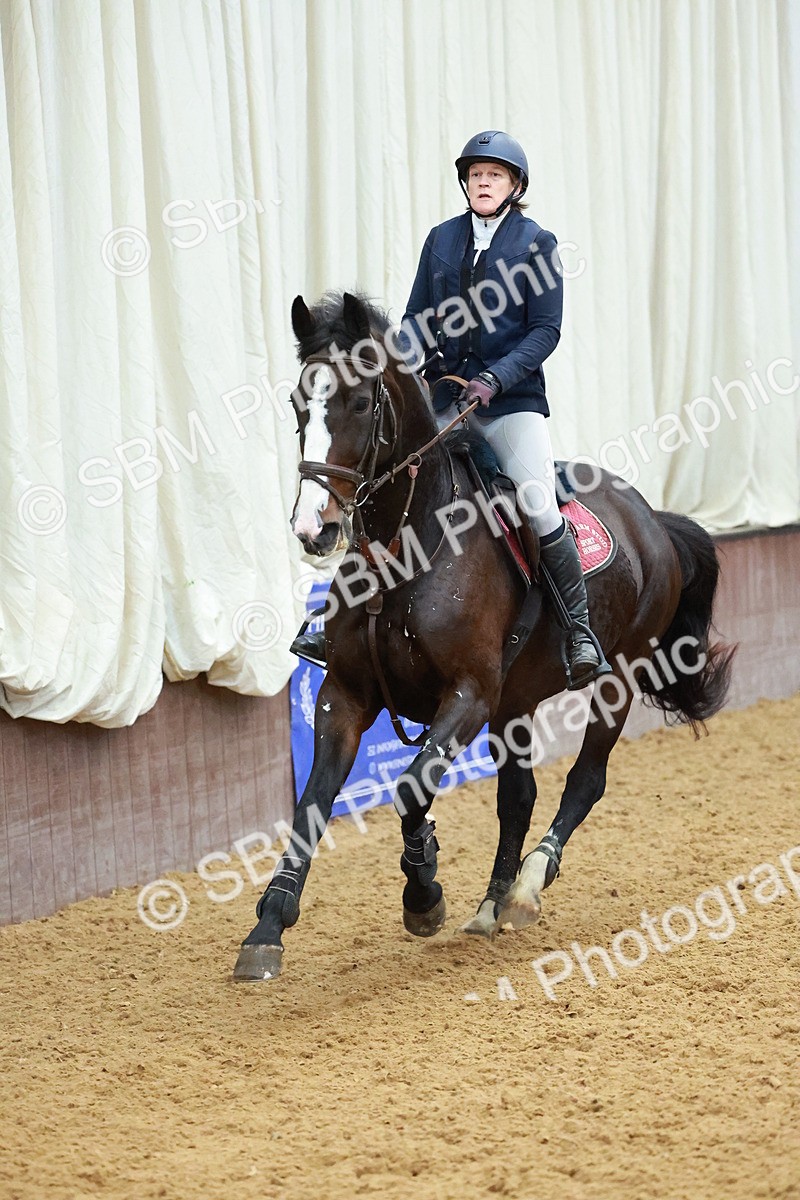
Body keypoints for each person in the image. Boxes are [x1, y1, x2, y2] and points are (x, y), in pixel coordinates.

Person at [291, 129, 611, 690]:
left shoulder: (537, 243)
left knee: (538, 503)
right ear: (465, 183)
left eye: (495, 175)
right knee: (382, 487)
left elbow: (545, 331)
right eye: (475, 175)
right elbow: (415, 319)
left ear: (514, 185)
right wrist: (415, 363)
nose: (483, 183)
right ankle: (332, 621)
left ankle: (579, 632)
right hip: (444, 399)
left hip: (510, 403)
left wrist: (496, 377)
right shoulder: (441, 239)